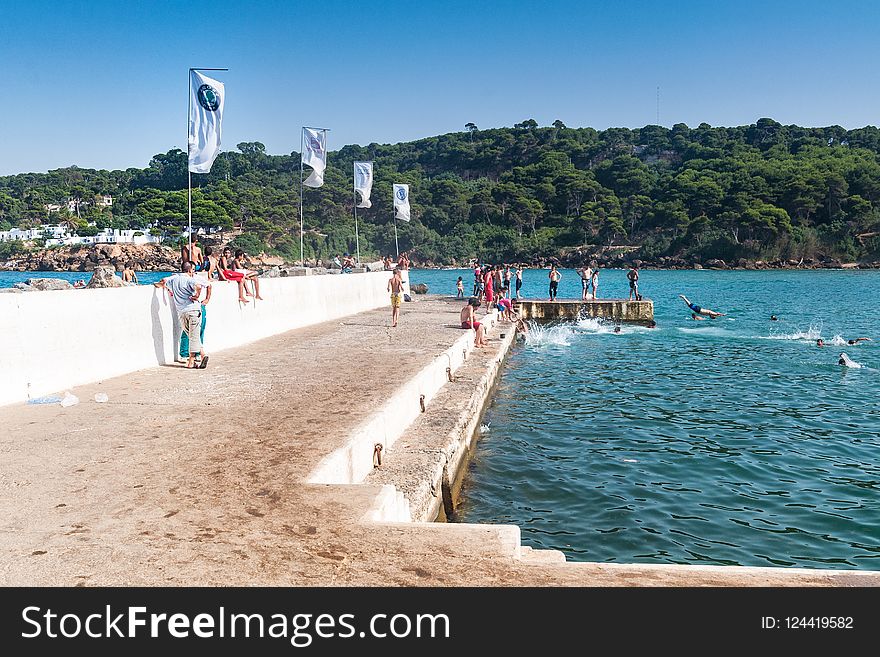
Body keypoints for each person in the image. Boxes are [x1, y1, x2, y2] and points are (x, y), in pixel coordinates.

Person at [153, 261, 206, 369]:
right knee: (194, 335)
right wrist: (196, 296)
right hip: (193, 310)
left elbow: (162, 283)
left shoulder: (174, 279)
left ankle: (203, 354)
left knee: (191, 335)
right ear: (190, 269)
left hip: (181, 312)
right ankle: (191, 361)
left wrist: (156, 286)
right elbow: (199, 286)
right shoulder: (189, 279)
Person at [179, 261, 212, 366]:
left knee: (200, 329)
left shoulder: (197, 278)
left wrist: (207, 299)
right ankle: (184, 354)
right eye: (192, 269)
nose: (192, 271)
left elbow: (209, 285)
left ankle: (197, 354)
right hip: (187, 308)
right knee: (187, 331)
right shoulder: (183, 279)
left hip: (198, 306)